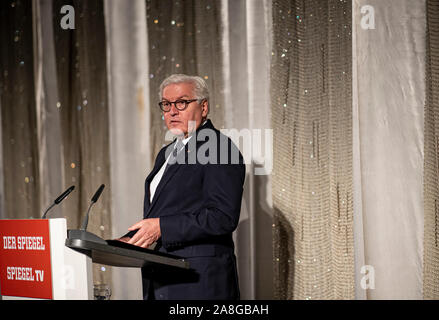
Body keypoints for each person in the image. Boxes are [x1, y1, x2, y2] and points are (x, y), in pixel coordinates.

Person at [118, 74, 245, 300]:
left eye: (182, 103)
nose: (172, 111)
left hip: (198, 282)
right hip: (161, 279)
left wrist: (162, 228)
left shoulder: (218, 147)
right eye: (166, 104)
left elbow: (222, 217)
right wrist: (131, 239)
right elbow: (165, 211)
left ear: (203, 107)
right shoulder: (166, 154)